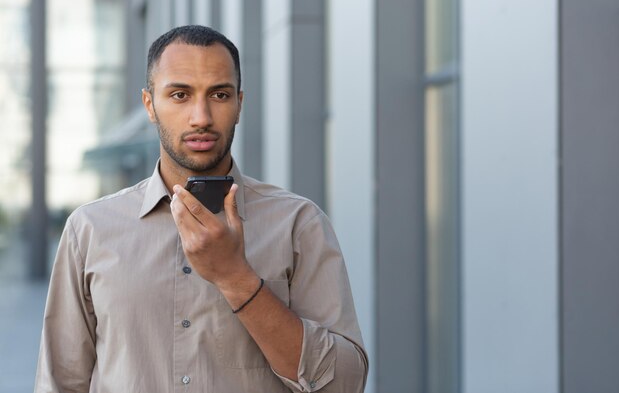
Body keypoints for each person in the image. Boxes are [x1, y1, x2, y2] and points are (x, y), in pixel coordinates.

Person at [34, 25, 368, 393]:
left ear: (240, 103)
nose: (201, 117)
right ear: (149, 104)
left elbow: (346, 382)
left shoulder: (298, 224)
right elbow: (60, 382)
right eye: (179, 95)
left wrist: (235, 278)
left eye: (220, 94)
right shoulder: (89, 229)